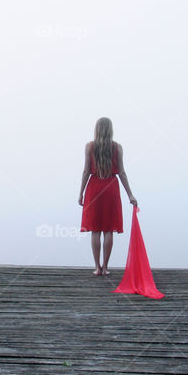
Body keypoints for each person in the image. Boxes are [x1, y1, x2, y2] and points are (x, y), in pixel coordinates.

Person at [79, 117, 137, 276]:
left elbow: (86, 172)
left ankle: (97, 267)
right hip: (111, 187)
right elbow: (122, 173)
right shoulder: (117, 148)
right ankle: (105, 267)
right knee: (108, 230)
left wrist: (81, 193)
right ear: (110, 130)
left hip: (94, 188)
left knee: (95, 230)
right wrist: (130, 194)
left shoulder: (89, 147)